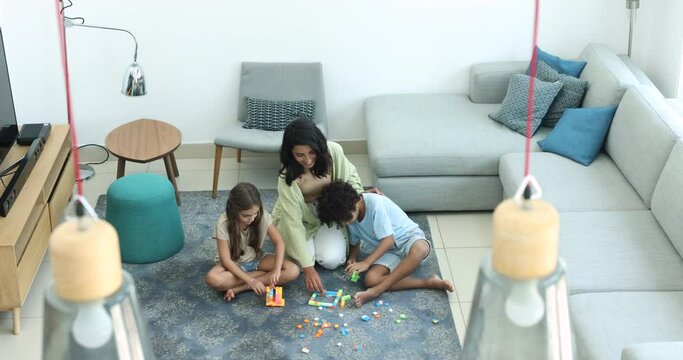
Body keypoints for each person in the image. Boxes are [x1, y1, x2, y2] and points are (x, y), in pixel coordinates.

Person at [273, 117, 380, 293]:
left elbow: (350, 176)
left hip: (329, 211)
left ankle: (315, 247)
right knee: (300, 263)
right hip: (299, 217)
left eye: (312, 152)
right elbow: (293, 223)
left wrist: (359, 196)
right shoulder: (287, 178)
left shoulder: (334, 151)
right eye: (300, 155)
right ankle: (306, 253)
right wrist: (309, 268)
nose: (307, 160)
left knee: (332, 260)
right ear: (290, 153)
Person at [316, 181, 454, 306]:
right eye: (342, 220)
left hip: (409, 239)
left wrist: (366, 263)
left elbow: (388, 239)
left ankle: (377, 290)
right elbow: (355, 243)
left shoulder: (375, 204)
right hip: (390, 250)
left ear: (356, 201)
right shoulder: (349, 218)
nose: (346, 222)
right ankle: (428, 283)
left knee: (421, 248)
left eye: (347, 217)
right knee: (370, 279)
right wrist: (352, 258)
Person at [205, 182, 299, 301]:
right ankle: (260, 277)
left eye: (255, 213)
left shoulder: (262, 215)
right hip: (234, 265)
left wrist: (276, 269)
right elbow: (226, 260)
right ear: (234, 211)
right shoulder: (223, 223)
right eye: (246, 215)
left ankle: (240, 288)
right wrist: (251, 280)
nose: (252, 218)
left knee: (293, 270)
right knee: (213, 279)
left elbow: (279, 241)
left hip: (257, 260)